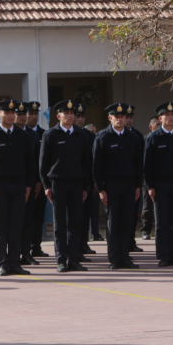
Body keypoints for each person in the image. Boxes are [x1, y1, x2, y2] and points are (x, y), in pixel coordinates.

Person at [0, 100, 35, 276]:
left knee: (16, 226)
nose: (10, 116)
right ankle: (2, 263)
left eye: (13, 113)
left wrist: (28, 186)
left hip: (18, 186)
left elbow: (30, 163)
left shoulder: (22, 135)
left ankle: (15, 263)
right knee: (0, 227)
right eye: (6, 113)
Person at [40, 100, 92, 272]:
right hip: (58, 184)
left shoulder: (81, 135)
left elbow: (86, 163)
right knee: (60, 224)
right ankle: (61, 260)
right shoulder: (50, 135)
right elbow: (43, 164)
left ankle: (74, 259)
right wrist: (46, 185)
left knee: (75, 223)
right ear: (58, 116)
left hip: (77, 184)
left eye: (73, 114)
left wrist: (85, 187)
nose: (70, 116)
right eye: (66, 113)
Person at [93, 103, 143, 270]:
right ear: (110, 118)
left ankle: (125, 257)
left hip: (129, 184)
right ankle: (115, 258)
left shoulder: (133, 137)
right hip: (111, 185)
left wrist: (137, 186)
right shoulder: (102, 137)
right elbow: (96, 166)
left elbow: (138, 164)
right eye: (117, 116)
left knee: (127, 222)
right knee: (113, 222)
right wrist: (100, 189)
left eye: (123, 117)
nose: (120, 119)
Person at [144, 102, 173, 267]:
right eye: (167, 115)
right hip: (160, 185)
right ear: (160, 118)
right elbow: (147, 165)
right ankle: (164, 255)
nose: (171, 117)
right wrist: (150, 186)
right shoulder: (154, 137)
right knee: (163, 222)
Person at [21, 101, 48, 263]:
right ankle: (22, 249)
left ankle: (36, 246)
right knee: (24, 218)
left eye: (35, 114)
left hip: (38, 182)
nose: (32, 117)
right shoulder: (20, 134)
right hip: (22, 184)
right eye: (29, 114)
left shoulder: (42, 134)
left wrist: (39, 181)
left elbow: (42, 161)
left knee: (37, 216)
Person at [75, 105, 101, 255]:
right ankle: (72, 246)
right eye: (77, 116)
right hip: (70, 181)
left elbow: (94, 161)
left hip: (87, 182)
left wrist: (94, 182)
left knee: (85, 215)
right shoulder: (66, 134)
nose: (80, 119)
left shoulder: (90, 136)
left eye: (82, 116)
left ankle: (83, 244)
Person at [125, 106, 146, 253]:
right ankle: (120, 245)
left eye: (131, 117)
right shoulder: (107, 135)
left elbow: (141, 160)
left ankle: (131, 241)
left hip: (133, 181)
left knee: (132, 215)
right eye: (126, 117)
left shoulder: (137, 136)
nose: (128, 120)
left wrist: (140, 180)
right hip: (117, 182)